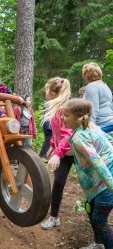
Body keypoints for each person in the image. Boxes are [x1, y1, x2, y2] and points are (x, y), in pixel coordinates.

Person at [63, 98, 113, 249]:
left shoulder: (80, 137)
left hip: (106, 184)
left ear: (78, 118)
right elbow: (108, 140)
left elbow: (97, 162)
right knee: (92, 211)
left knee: (99, 220)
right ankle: (99, 244)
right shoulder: (91, 127)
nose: (62, 118)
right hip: (100, 183)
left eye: (66, 115)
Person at [40, 77, 74, 230]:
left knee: (90, 185)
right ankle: (54, 217)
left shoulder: (64, 110)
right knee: (59, 182)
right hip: (64, 152)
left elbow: (68, 134)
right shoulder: (55, 108)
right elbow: (57, 132)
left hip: (77, 152)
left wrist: (57, 153)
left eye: (47, 91)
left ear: (53, 92)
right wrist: (52, 146)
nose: (45, 94)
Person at [83, 62, 113, 132]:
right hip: (110, 123)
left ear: (86, 75)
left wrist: (89, 127)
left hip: (102, 125)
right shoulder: (105, 86)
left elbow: (93, 108)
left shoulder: (92, 86)